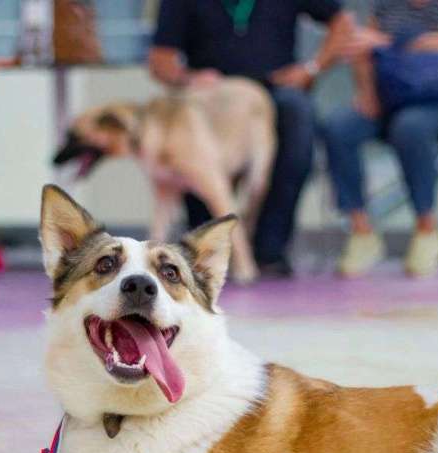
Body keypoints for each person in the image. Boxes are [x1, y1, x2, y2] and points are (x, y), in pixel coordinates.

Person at [149, 0, 353, 277]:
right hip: (211, 98)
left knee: (297, 113)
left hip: (273, 91)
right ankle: (207, 245)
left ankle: (269, 249)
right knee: (186, 130)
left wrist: (311, 68)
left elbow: (342, 23)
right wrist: (188, 77)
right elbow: (160, 60)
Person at [321, 0, 438, 278]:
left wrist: (385, 42)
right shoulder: (386, 6)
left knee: (410, 126)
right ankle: (361, 231)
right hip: (392, 98)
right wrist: (367, 92)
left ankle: (426, 229)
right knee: (339, 126)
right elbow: (362, 51)